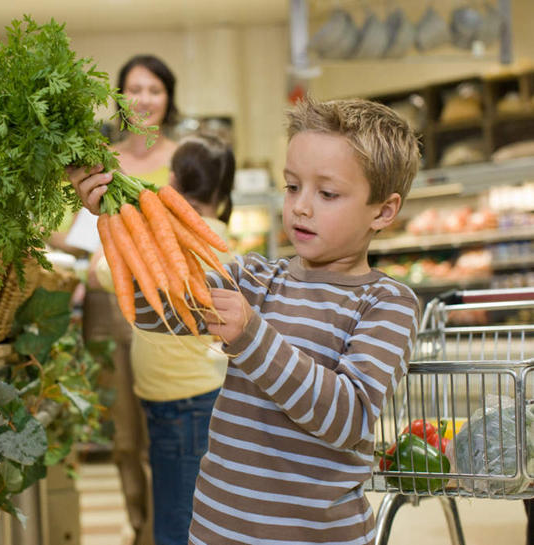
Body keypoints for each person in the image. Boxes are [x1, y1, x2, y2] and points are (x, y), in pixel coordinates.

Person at [68, 96, 422, 545]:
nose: (301, 207)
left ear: (384, 211)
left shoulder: (386, 303)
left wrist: (252, 336)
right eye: (292, 186)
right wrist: (117, 216)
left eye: (327, 193)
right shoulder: (254, 278)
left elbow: (346, 418)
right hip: (217, 531)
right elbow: (154, 312)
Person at [94, 134, 235, 545]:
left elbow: (102, 273)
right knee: (188, 502)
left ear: (171, 181)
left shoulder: (162, 236)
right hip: (197, 393)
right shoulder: (222, 240)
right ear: (223, 193)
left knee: (177, 519)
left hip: (181, 403)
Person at [82, 53, 179, 545]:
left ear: (169, 98)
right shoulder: (100, 160)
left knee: (164, 430)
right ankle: (141, 529)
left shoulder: (183, 159)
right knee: (123, 437)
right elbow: (61, 228)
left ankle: (167, 530)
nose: (144, 99)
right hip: (107, 303)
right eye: (134, 89)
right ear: (119, 98)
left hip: (167, 303)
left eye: (154, 89)